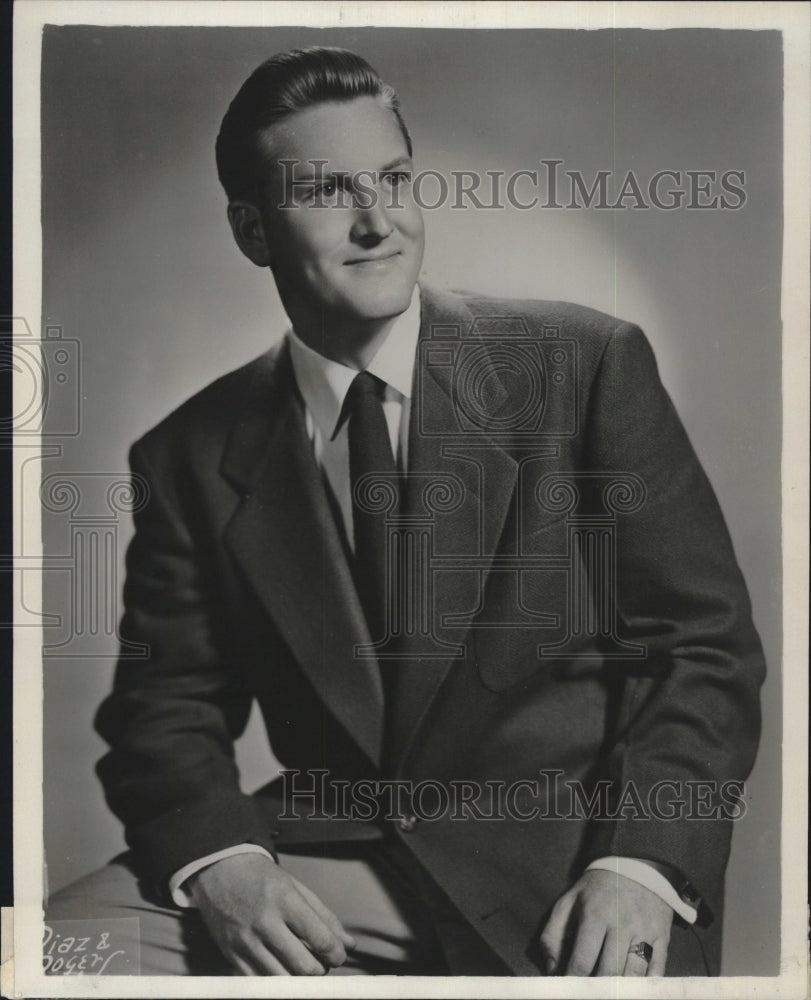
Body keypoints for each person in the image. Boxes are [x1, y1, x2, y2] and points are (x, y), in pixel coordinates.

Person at [46, 46, 766, 978]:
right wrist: (226, 863)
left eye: (392, 180)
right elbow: (165, 706)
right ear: (253, 231)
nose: (377, 221)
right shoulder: (188, 453)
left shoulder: (583, 364)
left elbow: (702, 647)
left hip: (560, 861)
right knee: (55, 953)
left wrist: (637, 865)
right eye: (326, 192)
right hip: (333, 851)